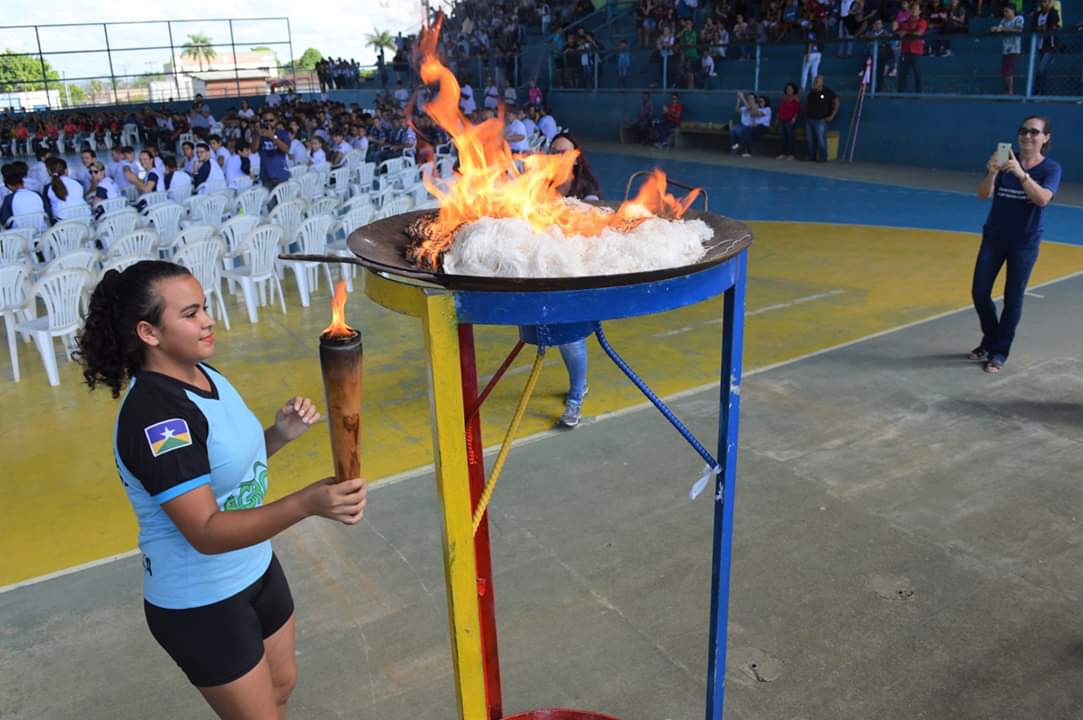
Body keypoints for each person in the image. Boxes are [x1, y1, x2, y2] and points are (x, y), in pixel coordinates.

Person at [73, 260, 367, 718]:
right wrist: (308, 503)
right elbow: (206, 531)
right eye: (190, 314)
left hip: (256, 568)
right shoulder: (157, 418)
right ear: (149, 333)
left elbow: (218, 469)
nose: (208, 320)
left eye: (205, 308)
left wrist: (278, 435)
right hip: (202, 601)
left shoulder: (205, 375)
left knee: (281, 687)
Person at [971, 117, 1061, 374]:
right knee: (979, 292)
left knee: (1013, 298)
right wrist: (992, 172)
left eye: (1034, 132)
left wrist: (1022, 175)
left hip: (1024, 243)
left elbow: (1042, 199)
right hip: (994, 238)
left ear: (1046, 138)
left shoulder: (1051, 169)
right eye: (1023, 131)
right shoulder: (1003, 163)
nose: (1028, 136)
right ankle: (990, 339)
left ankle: (999, 352)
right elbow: (983, 195)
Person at [548, 132, 601, 428]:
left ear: (576, 155)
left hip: (578, 267)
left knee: (569, 334)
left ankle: (577, 394)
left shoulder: (586, 188)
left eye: (563, 152)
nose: (558, 157)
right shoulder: (540, 184)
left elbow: (590, 227)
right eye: (553, 151)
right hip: (547, 265)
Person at [1, 161, 47, 227]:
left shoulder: (9, 198)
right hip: (42, 229)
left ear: (9, 186)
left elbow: (4, 219)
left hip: (20, 232)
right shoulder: (37, 193)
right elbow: (47, 212)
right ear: (23, 183)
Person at [804, 75, 838, 162]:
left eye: (817, 81)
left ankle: (823, 156)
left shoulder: (828, 92)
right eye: (815, 81)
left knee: (821, 139)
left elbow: (836, 102)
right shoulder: (811, 93)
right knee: (810, 140)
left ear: (822, 82)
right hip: (810, 119)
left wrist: (832, 115)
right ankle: (812, 156)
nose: (815, 83)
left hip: (821, 120)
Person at [991, 5, 1024, 95]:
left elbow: (1018, 29)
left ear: (1013, 11)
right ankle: (1007, 90)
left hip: (1014, 49)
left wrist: (1002, 29)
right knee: (1004, 72)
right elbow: (999, 28)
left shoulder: (1019, 18)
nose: (1005, 13)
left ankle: (1010, 91)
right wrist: (995, 29)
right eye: (1004, 11)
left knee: (1008, 71)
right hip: (1005, 49)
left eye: (1007, 11)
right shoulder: (1003, 20)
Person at [254, 111, 291, 190]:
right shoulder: (259, 135)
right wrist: (258, 135)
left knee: (283, 201)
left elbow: (286, 149)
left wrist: (272, 137)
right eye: (266, 121)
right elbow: (253, 150)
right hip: (265, 175)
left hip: (280, 174)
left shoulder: (283, 134)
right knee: (270, 201)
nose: (269, 123)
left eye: (271, 120)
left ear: (276, 121)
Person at [1031, 0, 1060, 96]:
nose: (1044, 4)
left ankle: (1039, 93)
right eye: (1043, 2)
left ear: (1050, 3)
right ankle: (1040, 93)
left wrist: (1044, 28)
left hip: (1050, 47)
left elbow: (1053, 24)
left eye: (1046, 2)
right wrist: (1039, 28)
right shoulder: (1037, 14)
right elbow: (1032, 27)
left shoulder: (1053, 13)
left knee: (1041, 69)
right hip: (1039, 46)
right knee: (1041, 71)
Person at [896, 3, 927, 93]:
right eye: (912, 9)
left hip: (916, 52)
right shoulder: (904, 23)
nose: (914, 10)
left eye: (916, 9)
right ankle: (900, 93)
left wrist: (906, 33)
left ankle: (919, 93)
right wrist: (900, 32)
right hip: (905, 51)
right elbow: (898, 32)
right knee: (902, 73)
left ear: (919, 11)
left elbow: (919, 33)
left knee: (917, 73)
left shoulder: (922, 21)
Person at [777, 83, 801, 160]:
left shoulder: (796, 98)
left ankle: (791, 154)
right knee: (783, 137)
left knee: (790, 137)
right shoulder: (783, 98)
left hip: (790, 120)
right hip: (782, 119)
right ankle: (782, 153)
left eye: (790, 89)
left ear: (793, 90)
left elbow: (797, 110)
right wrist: (777, 119)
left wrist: (794, 118)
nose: (788, 90)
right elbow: (779, 109)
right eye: (787, 89)